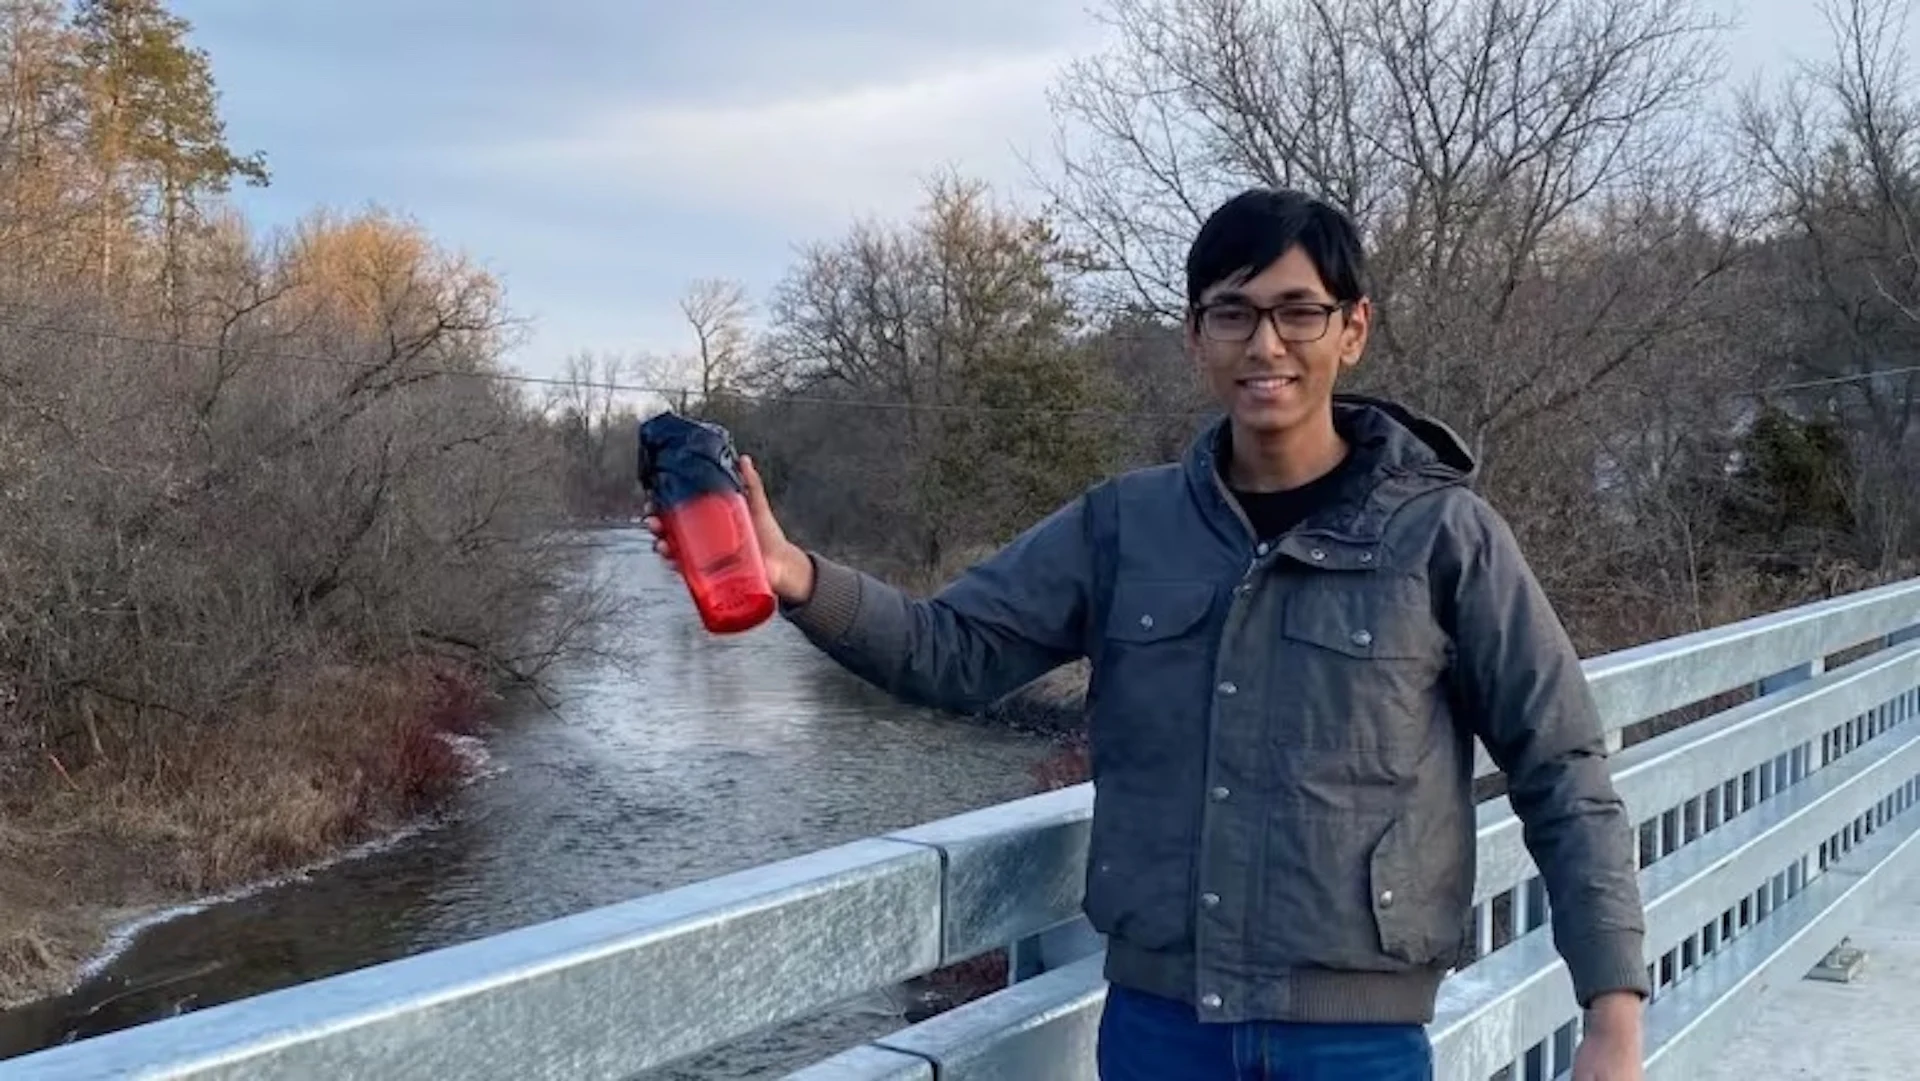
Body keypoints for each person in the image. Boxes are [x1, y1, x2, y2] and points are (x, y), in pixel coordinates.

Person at [644, 188, 1650, 1081]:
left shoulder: (1443, 535)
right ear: (1195, 337)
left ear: (1353, 329)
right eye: (1234, 314)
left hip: (1357, 1040)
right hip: (1165, 1030)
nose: (1266, 344)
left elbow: (1559, 764)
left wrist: (1613, 1008)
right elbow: (950, 651)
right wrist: (794, 576)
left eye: (1299, 311)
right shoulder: (1124, 527)